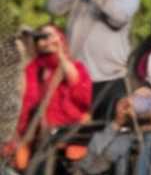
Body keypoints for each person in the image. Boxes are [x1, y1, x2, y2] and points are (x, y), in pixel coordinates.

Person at [45, 0, 142, 118]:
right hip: (77, 77)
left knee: (110, 133)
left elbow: (119, 18)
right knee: (77, 138)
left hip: (111, 78)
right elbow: (53, 8)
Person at [7, 26, 92, 164]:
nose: (46, 41)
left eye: (50, 36)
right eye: (42, 38)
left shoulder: (74, 65)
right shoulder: (32, 68)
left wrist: (59, 52)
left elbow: (76, 83)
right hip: (36, 136)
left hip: (67, 134)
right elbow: (22, 98)